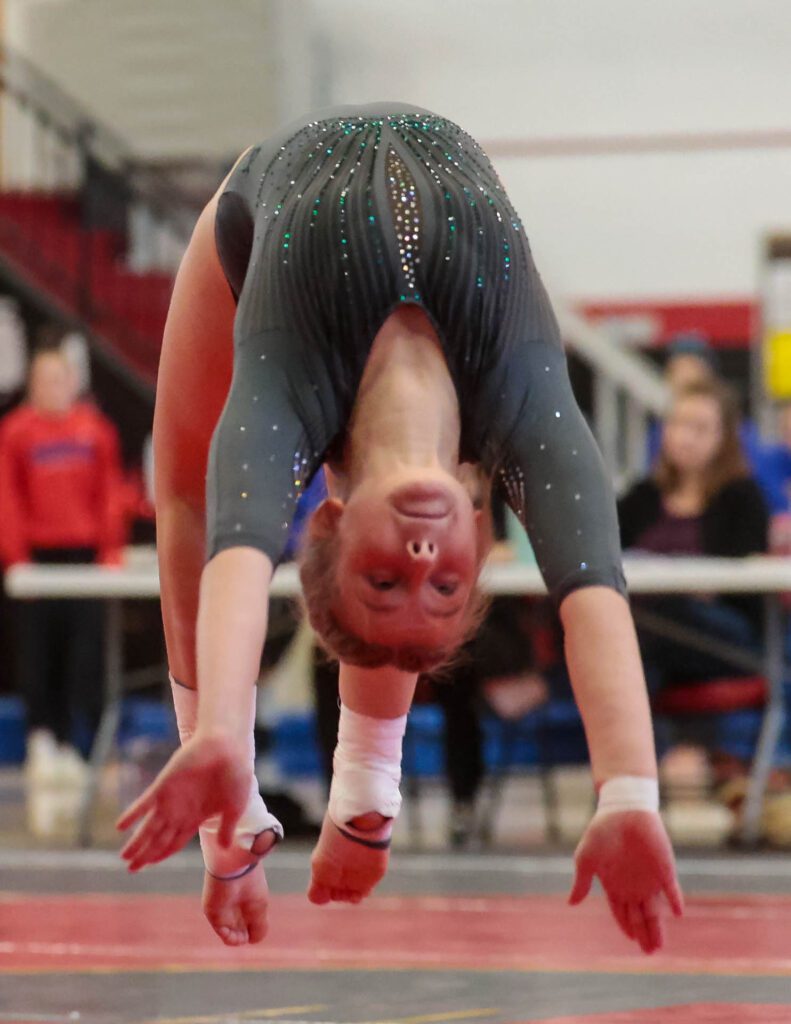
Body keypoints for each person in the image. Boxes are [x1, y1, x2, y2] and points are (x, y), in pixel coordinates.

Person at [115, 103, 683, 952]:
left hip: (251, 223)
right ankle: (371, 788)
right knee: (362, 595)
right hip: (374, 284)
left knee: (191, 493)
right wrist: (630, 794)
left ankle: (334, 789)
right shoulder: (523, 403)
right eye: (445, 584)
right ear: (484, 540)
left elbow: (226, 546)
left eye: (387, 578)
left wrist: (218, 745)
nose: (420, 557)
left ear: (326, 519)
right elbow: (593, 596)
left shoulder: (288, 380)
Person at [0, 345, 124, 791]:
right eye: (43, 379)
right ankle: (43, 738)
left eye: (59, 378)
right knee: (37, 656)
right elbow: (7, 497)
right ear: (32, 384)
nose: (52, 387)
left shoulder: (95, 432)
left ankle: (83, 743)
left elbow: (109, 493)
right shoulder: (16, 433)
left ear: (72, 383)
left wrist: (111, 553)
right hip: (38, 562)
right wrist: (17, 559)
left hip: (84, 561)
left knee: (86, 656)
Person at [619, 378, 769, 688]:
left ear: (724, 437)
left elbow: (742, 580)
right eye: (677, 424)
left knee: (658, 619)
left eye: (699, 428)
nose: (684, 438)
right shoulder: (643, 495)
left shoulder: (742, 497)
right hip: (650, 628)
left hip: (720, 631)